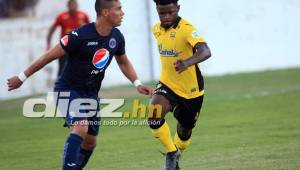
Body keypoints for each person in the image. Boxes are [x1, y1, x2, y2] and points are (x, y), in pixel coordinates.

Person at [7, 0, 153, 169]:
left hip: (90, 94)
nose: (122, 12)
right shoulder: (79, 36)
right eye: (118, 9)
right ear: (105, 12)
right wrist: (21, 77)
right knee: (80, 127)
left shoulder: (117, 37)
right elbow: (48, 56)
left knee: (90, 142)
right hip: (66, 90)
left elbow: (123, 62)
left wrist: (137, 83)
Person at [148, 0, 212, 169]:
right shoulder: (156, 29)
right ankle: (171, 152)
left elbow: (205, 51)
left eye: (170, 12)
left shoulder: (186, 28)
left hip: (191, 91)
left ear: (178, 8)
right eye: (162, 13)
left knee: (184, 132)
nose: (166, 17)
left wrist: (186, 63)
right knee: (154, 114)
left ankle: (177, 154)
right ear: (157, 11)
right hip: (167, 84)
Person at [46, 0, 90, 77]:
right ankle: (60, 87)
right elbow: (52, 30)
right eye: (71, 5)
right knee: (62, 68)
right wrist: (48, 43)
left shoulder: (83, 15)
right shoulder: (62, 16)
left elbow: (90, 29)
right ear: (68, 6)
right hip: (65, 47)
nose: (73, 7)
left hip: (79, 47)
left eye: (74, 4)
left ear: (77, 5)